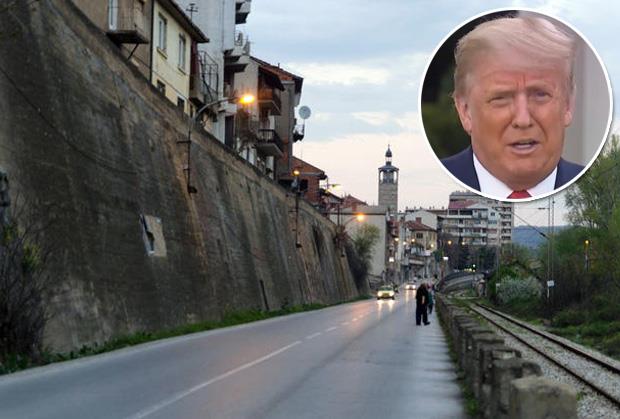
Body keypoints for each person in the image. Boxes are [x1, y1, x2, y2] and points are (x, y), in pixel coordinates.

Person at [441, 13, 584, 199]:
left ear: (568, 104)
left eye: (540, 94)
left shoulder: (603, 189)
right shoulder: (432, 183)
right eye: (501, 98)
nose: (523, 120)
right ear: (465, 111)